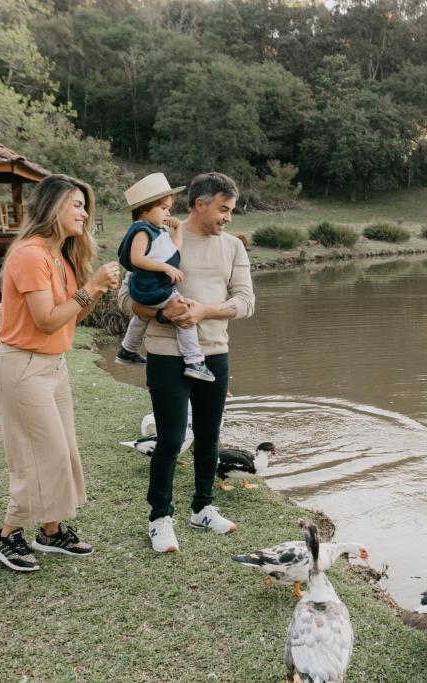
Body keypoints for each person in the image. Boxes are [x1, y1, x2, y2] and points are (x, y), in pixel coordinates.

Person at [0, 174, 120, 572]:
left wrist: (94, 290)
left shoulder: (60, 256)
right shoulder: (30, 255)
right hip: (22, 367)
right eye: (76, 205)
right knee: (37, 457)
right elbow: (45, 321)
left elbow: (71, 318)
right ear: (52, 207)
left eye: (85, 206)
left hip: (52, 366)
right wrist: (90, 285)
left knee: (63, 453)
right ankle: (6, 536)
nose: (84, 213)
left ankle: (50, 531)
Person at [117, 172, 255, 553]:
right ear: (200, 204)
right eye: (223, 209)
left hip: (215, 352)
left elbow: (245, 301)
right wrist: (163, 315)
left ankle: (203, 508)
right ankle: (160, 517)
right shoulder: (159, 238)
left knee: (209, 437)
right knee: (172, 439)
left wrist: (204, 311)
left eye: (231, 210)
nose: (228, 217)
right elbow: (125, 300)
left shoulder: (233, 247)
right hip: (166, 356)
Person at [114, 173, 213, 382]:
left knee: (141, 317)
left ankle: (127, 350)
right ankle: (195, 361)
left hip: (148, 289)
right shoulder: (141, 231)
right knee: (183, 314)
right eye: (163, 208)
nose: (167, 213)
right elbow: (136, 259)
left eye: (168, 208)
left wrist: (177, 231)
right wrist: (165, 269)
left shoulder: (156, 230)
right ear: (144, 209)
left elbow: (174, 252)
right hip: (153, 288)